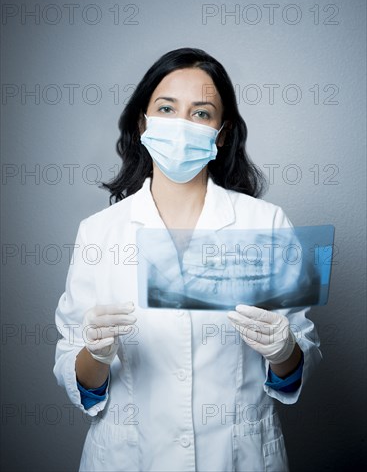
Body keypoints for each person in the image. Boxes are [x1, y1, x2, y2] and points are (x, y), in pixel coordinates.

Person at [54, 48, 322, 472]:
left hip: (236, 457)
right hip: (129, 456)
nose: (181, 125)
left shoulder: (265, 224)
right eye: (166, 108)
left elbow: (296, 367)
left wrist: (284, 348)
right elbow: (78, 377)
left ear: (221, 131)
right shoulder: (99, 232)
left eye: (201, 114)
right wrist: (95, 353)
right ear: (143, 122)